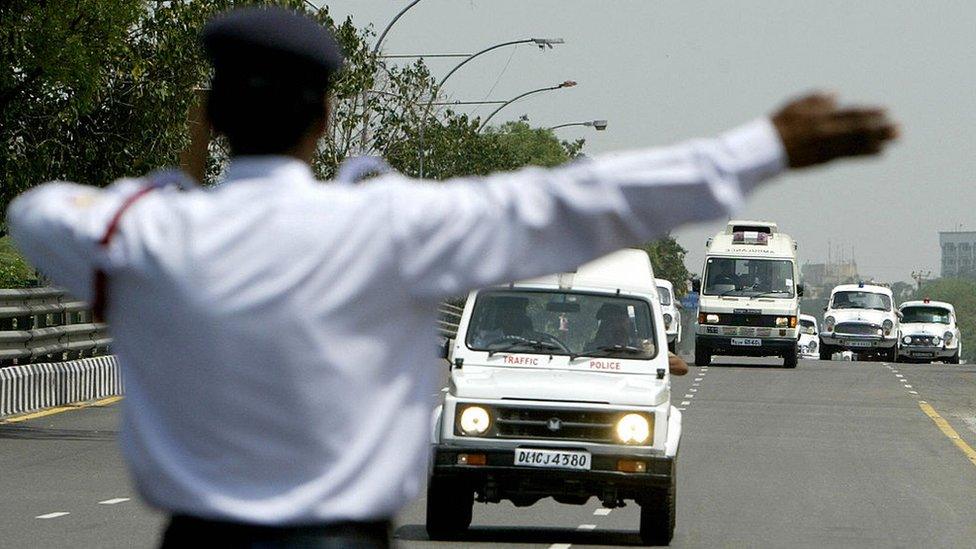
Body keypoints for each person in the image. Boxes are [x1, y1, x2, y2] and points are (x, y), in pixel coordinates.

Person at [4, 6, 898, 547]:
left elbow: (39, 208)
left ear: (211, 118)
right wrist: (762, 146)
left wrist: (175, 179)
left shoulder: (146, 233)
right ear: (325, 119)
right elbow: (582, 200)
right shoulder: (391, 228)